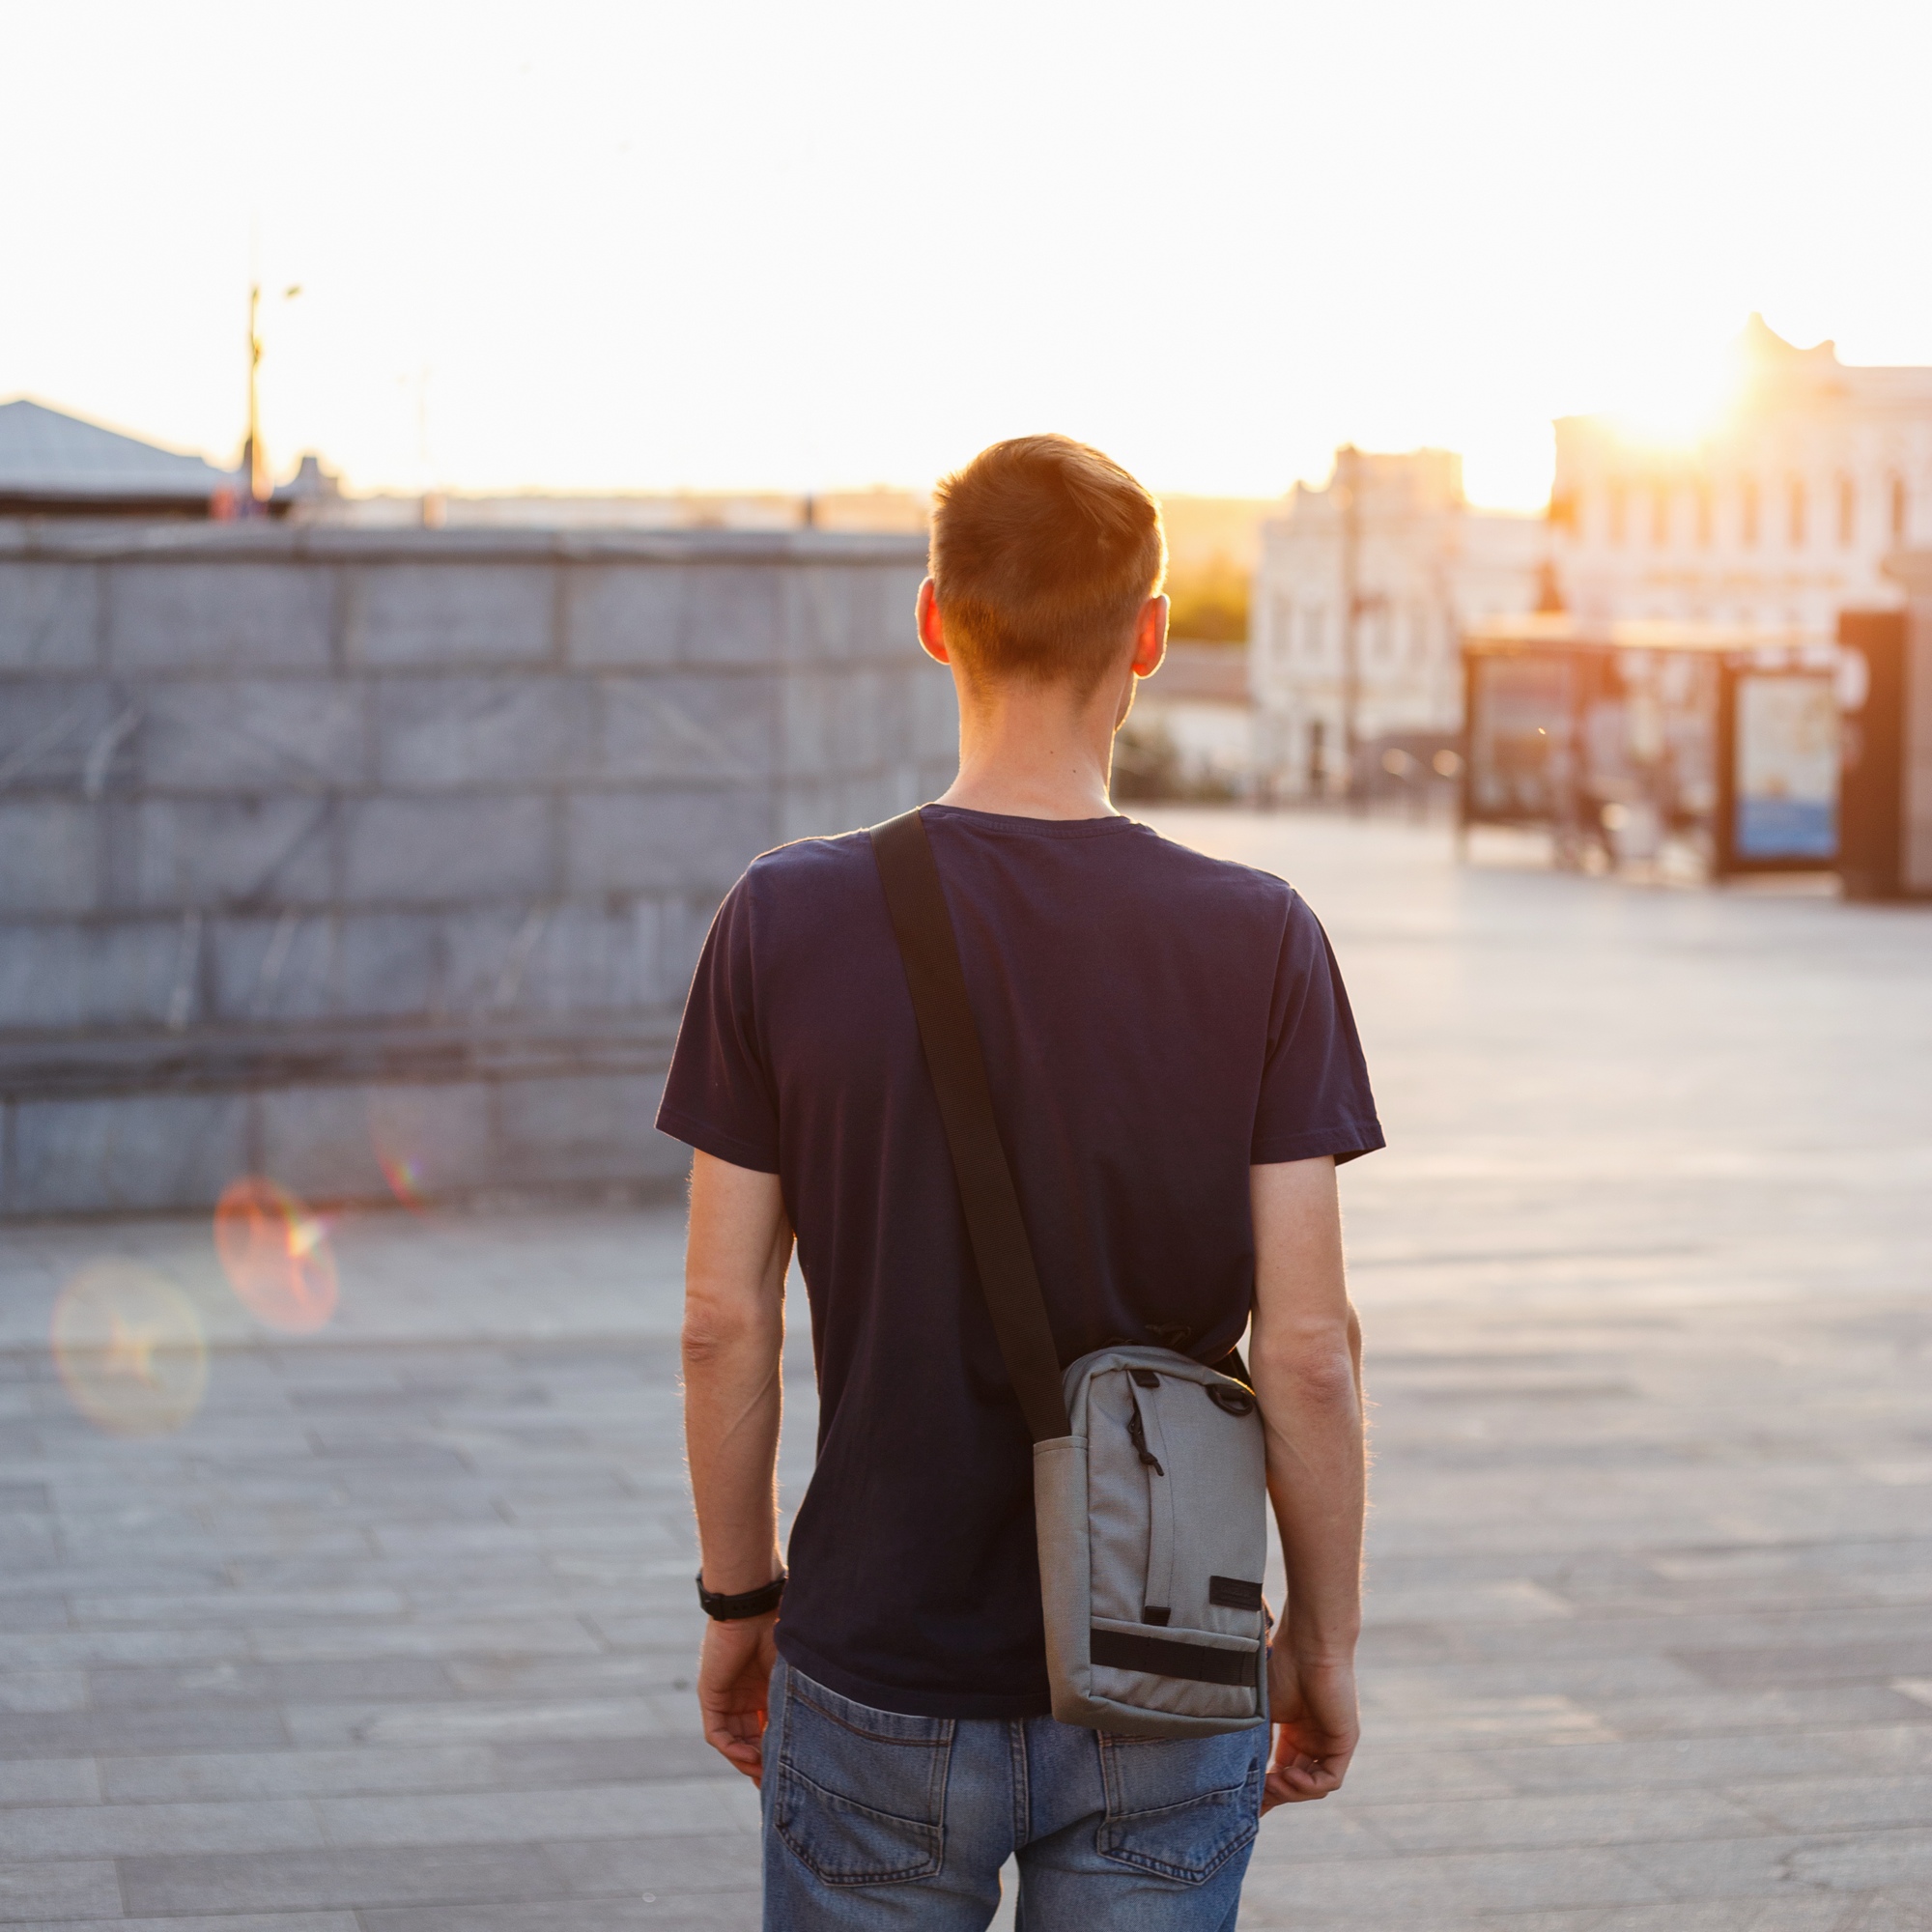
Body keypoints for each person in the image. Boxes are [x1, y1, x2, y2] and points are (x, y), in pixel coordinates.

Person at [662, 434, 1380, 1929]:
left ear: (935, 619)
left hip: (877, 1660)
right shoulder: (1263, 939)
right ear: (1153, 635)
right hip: (1170, 1656)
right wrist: (1323, 1641)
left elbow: (724, 1323)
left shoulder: (785, 918)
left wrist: (742, 1603)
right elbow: (1309, 1350)